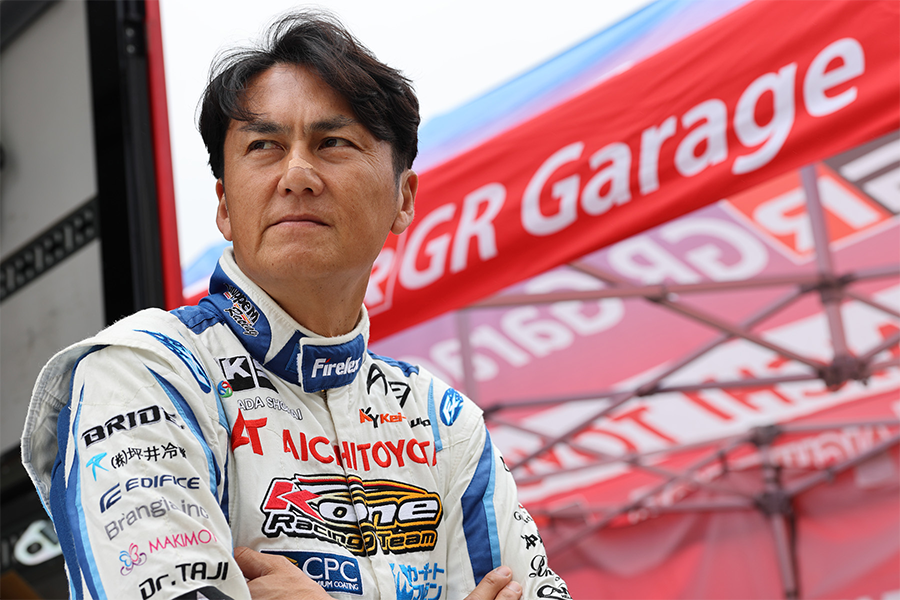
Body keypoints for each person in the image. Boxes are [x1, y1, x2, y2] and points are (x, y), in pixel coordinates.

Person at [21, 11, 570, 600]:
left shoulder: (445, 422)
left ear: (403, 199)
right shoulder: (143, 372)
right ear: (225, 205)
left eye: (333, 143)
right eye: (264, 146)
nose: (298, 175)